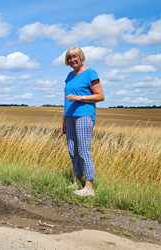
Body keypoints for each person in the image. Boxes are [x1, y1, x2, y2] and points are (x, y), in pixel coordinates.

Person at [61, 46, 105, 196]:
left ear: (81, 57)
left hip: (84, 115)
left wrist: (80, 98)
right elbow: (67, 100)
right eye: (69, 58)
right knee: (72, 150)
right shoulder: (69, 75)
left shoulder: (90, 73)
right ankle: (77, 181)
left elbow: (100, 96)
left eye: (75, 56)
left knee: (83, 150)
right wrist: (64, 120)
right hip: (70, 116)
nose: (72, 60)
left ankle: (89, 188)